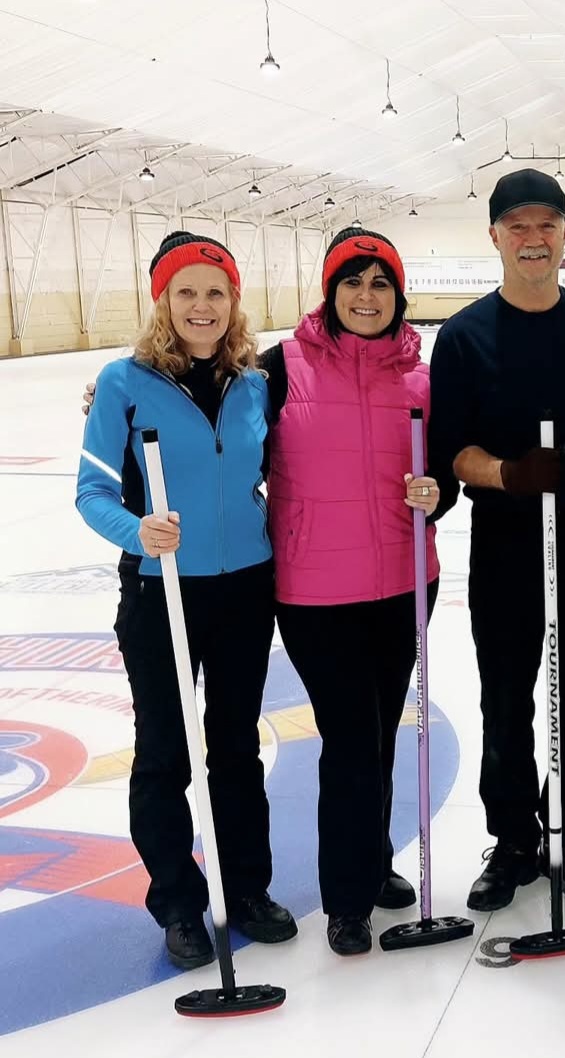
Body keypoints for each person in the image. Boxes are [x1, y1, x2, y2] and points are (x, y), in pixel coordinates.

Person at [76, 232, 297, 970]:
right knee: (166, 752)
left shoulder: (256, 382)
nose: (201, 306)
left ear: (233, 302)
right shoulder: (123, 382)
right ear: (162, 301)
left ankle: (248, 888)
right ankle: (177, 901)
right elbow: (93, 491)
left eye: (215, 292)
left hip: (244, 588)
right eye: (186, 292)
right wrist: (137, 531)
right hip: (159, 588)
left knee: (235, 747)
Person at [428, 169, 565, 912]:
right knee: (506, 699)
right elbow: (450, 452)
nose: (532, 238)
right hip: (507, 541)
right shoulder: (462, 338)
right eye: (516, 226)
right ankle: (514, 839)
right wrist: (510, 473)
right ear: (493, 237)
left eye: (546, 224)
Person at [261, 228, 441, 956]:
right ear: (330, 292)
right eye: (352, 282)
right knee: (348, 741)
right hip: (316, 594)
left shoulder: (419, 375)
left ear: (398, 296)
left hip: (403, 584)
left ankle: (374, 863)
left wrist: (442, 491)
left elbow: (444, 470)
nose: (366, 297)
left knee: (379, 733)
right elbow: (200, 397)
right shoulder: (278, 367)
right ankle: (345, 897)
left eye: (380, 284)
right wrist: (117, 386)